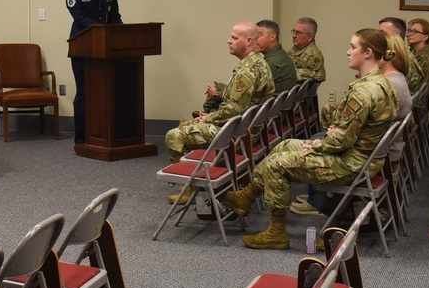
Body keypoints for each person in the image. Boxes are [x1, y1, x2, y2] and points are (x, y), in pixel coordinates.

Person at [224, 29, 399, 250]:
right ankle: (246, 196)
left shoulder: (364, 92)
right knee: (284, 145)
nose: (348, 52)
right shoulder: (381, 84)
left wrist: (320, 143)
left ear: (368, 53)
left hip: (350, 163)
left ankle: (276, 232)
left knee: (276, 164)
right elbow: (349, 130)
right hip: (361, 156)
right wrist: (334, 134)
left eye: (353, 47)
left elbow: (340, 142)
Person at [164, 21, 274, 203]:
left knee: (173, 136)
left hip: (236, 134)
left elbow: (233, 110)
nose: (228, 41)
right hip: (246, 129)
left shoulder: (247, 71)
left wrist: (209, 119)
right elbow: (236, 107)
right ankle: (203, 180)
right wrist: (210, 118)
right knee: (187, 125)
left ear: (248, 41)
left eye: (234, 38)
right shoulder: (259, 62)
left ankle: (193, 187)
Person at [65, 0, 122, 145]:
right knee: (84, 92)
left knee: (106, 91)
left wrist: (120, 34)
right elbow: (79, 17)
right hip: (83, 47)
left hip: (105, 48)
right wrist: (103, 31)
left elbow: (114, 15)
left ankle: (103, 134)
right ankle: (82, 137)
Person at [255, 19, 298, 93]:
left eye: (259, 35)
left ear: (272, 37)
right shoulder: (279, 55)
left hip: (270, 103)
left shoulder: (272, 63)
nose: (255, 40)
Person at [406, 17, 429, 108]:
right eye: (408, 31)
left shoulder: (428, 59)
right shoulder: (412, 54)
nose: (408, 35)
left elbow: (416, 87)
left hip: (414, 104)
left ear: (425, 37)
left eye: (414, 31)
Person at [288, 17, 326, 83]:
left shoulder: (313, 54)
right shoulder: (296, 49)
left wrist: (294, 72)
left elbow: (320, 75)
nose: (294, 35)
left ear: (310, 37)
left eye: (298, 33)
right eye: (293, 31)